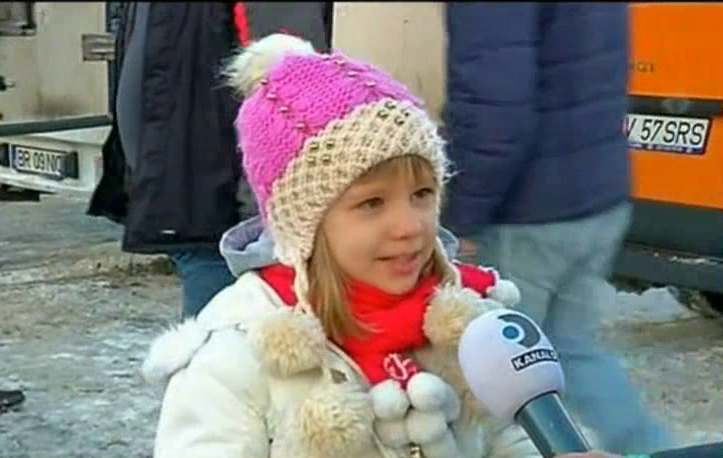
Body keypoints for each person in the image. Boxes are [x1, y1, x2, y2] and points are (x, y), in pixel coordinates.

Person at [139, 33, 602, 458]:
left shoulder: (469, 327)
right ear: (304, 224)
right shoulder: (235, 355)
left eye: (422, 194)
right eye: (372, 203)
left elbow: (511, 438)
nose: (409, 226)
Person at [441, 3, 671, 455]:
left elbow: (494, 106)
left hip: (525, 210)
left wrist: (461, 216)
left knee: (495, 377)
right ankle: (648, 449)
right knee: (573, 354)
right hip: (597, 191)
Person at [87, 3, 330, 319]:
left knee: (224, 341)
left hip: (225, 219)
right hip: (182, 199)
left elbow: (291, 85)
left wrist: (259, 222)